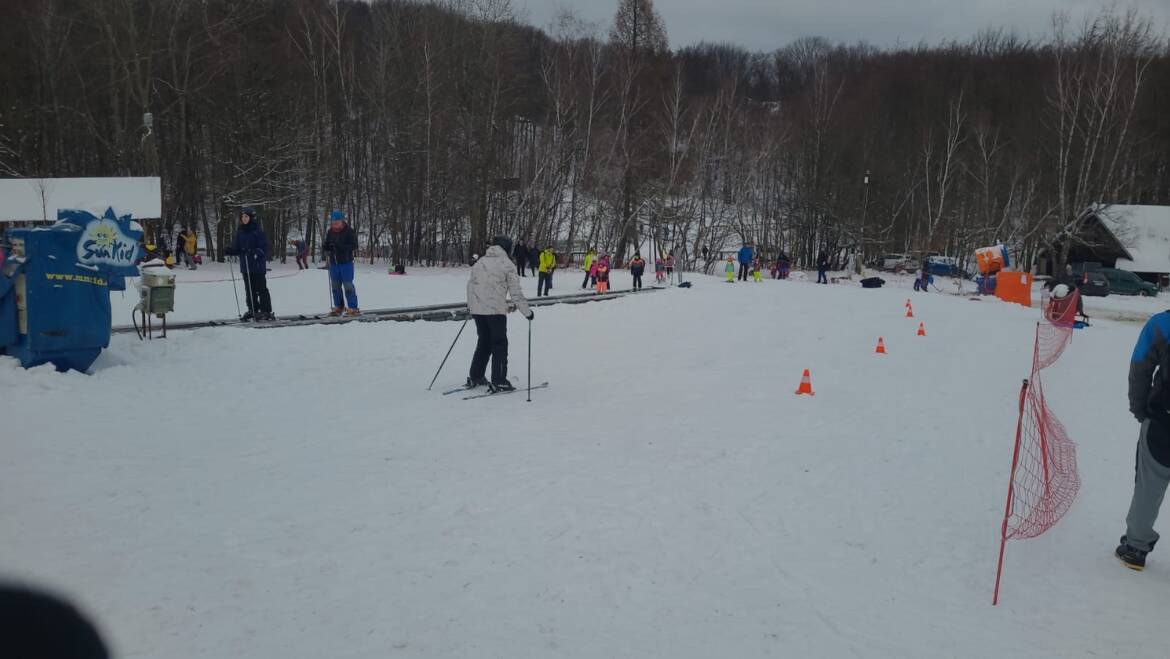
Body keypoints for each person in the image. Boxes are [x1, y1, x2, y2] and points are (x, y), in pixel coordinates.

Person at [1117, 310, 1170, 570]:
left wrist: (1140, 408)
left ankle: (1135, 548)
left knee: (1149, 485)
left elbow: (1140, 367)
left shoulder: (1161, 324)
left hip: (1163, 423)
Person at [466, 235, 532, 392]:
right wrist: (527, 312)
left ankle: (476, 375)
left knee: (484, 341)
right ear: (506, 247)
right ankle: (499, 380)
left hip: (478, 311)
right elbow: (516, 293)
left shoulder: (480, 262)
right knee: (499, 343)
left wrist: (472, 307)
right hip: (495, 312)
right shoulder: (507, 264)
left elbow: (471, 286)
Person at [224, 207, 273, 321]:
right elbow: (238, 248)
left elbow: (263, 248)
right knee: (249, 289)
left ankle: (265, 310)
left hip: (257, 265)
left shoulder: (257, 231)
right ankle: (253, 309)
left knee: (261, 288)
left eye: (246, 217)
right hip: (245, 265)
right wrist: (231, 251)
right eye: (243, 217)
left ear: (251, 218)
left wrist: (253, 251)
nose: (244, 219)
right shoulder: (240, 232)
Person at [322, 210, 360, 316]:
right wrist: (326, 246)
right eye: (333, 222)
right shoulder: (330, 232)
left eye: (337, 222)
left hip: (346, 262)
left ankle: (353, 307)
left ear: (342, 221)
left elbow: (354, 245)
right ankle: (339, 306)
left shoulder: (349, 231)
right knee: (335, 286)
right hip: (334, 263)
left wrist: (340, 247)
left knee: (348, 286)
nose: (335, 224)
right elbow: (328, 243)